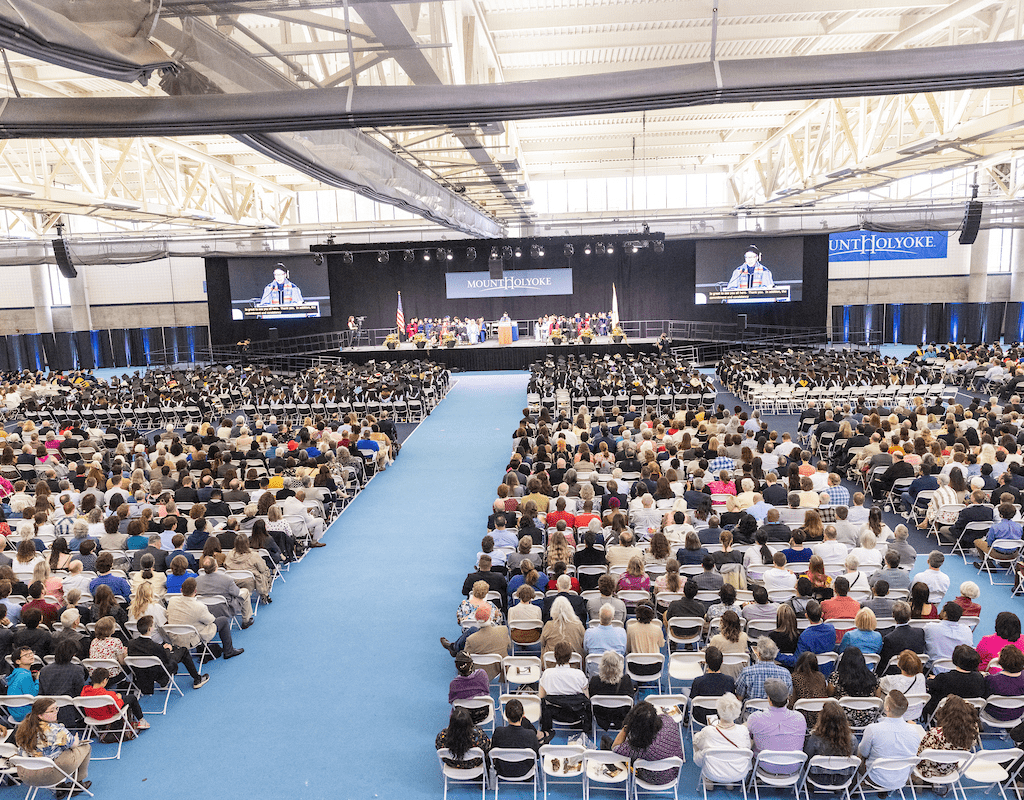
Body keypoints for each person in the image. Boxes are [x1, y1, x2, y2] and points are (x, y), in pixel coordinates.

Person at [14, 697, 91, 794]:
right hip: (49, 776)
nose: (56, 712)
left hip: (27, 776)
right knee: (85, 747)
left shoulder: (23, 727)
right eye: (51, 710)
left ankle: (60, 789)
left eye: (56, 708)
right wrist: (75, 739)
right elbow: (73, 745)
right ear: (40, 715)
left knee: (52, 753)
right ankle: (78, 783)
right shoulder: (56, 729)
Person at [857, 691, 925, 793]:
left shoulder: (873, 729)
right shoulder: (914, 731)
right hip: (901, 778)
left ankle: (853, 787)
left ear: (887, 708)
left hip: (875, 778)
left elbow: (864, 753)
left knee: (857, 753)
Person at [165, 577, 244, 660]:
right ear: (195, 591)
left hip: (173, 638)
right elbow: (211, 620)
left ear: (181, 590)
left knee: (197, 621)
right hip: (190, 639)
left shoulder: (172, 600)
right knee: (223, 620)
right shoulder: (199, 606)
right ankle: (229, 651)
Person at [128, 614, 209, 692]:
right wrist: (167, 649)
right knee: (183, 651)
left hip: (145, 675)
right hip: (160, 672)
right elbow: (166, 659)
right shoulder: (155, 646)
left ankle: (163, 683)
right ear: (150, 629)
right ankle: (197, 679)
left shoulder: (131, 644)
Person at [611, 701, 684, 785]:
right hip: (673, 771)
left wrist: (626, 727)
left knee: (608, 744)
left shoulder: (638, 747)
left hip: (652, 777)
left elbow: (615, 747)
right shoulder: (668, 721)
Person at [915, 695, 979, 790]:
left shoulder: (936, 733)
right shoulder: (971, 732)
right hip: (950, 768)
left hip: (928, 769)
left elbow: (920, 753)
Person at [746, 678, 806, 771]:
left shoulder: (755, 718)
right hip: (793, 767)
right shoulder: (800, 718)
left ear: (769, 699)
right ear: (788, 698)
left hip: (765, 766)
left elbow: (747, 736)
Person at [692, 693, 750, 784]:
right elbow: (747, 747)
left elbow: (696, 741)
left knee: (699, 746)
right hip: (738, 773)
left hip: (712, 773)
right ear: (737, 712)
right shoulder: (743, 730)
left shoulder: (709, 731)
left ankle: (709, 779)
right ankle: (729, 782)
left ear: (719, 710)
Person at [923, 644, 987, 719]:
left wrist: (934, 679)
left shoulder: (944, 678)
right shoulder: (979, 678)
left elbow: (930, 685)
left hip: (946, 714)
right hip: (968, 714)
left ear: (955, 660)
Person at [803, 700, 858, 786]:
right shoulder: (852, 739)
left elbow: (807, 757)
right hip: (842, 778)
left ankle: (809, 787)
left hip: (819, 777)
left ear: (823, 719)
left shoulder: (815, 738)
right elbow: (854, 759)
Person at [80, 666, 148, 734]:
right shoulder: (109, 695)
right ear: (105, 681)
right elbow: (116, 709)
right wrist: (119, 698)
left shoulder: (84, 692)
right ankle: (141, 720)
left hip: (91, 716)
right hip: (106, 716)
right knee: (132, 698)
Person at [491, 698, 546, 777]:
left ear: (506, 715)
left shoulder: (498, 732)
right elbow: (536, 755)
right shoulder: (530, 734)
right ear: (523, 714)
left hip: (503, 770)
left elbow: (493, 752)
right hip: (524, 770)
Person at [828, 647, 881, 728]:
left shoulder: (836, 677)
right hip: (868, 718)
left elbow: (829, 694)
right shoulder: (873, 676)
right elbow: (877, 696)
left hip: (843, 718)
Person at [588, 651, 634, 732]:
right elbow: (631, 697)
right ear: (619, 665)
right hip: (621, 716)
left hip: (601, 716)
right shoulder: (626, 680)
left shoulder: (595, 681)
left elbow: (590, 698)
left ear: (601, 666)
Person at [689, 646, 736, 723]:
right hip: (722, 715)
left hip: (701, 717)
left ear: (706, 662)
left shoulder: (698, 681)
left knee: (684, 691)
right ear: (722, 661)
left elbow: (693, 699)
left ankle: (686, 720)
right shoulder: (730, 680)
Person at [984, 644, 1024, 723]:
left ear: (1000, 662)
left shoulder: (991, 680)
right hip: (1017, 713)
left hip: (993, 714)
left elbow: (984, 697)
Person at [7, 645, 39, 722]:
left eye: (31, 653)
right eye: (26, 655)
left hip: (14, 713)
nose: (30, 656)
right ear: (18, 661)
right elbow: (33, 696)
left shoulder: (15, 673)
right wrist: (37, 680)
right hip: (25, 713)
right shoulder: (25, 675)